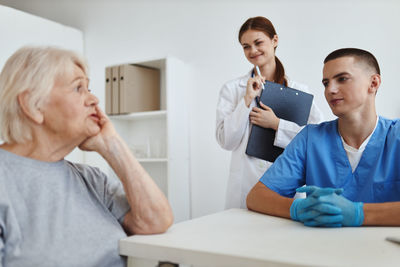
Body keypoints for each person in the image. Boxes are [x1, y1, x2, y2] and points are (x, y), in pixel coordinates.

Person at [0, 46, 173, 267]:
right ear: (33, 105)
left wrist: (112, 146)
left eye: (89, 88)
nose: (94, 99)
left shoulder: (92, 180)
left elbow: (156, 221)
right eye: (78, 88)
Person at [247, 47, 400, 227]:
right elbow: (256, 197)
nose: (330, 90)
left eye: (342, 79)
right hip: (321, 250)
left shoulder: (395, 136)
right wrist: (297, 208)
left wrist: (359, 213)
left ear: (373, 83)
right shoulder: (311, 139)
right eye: (326, 83)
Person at [216, 16, 324, 209]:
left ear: (275, 41)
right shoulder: (233, 89)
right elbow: (226, 141)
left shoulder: (301, 91)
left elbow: (316, 139)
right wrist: (246, 100)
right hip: (245, 185)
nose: (253, 51)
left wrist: (277, 124)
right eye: (246, 46)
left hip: (286, 183)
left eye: (258, 43)